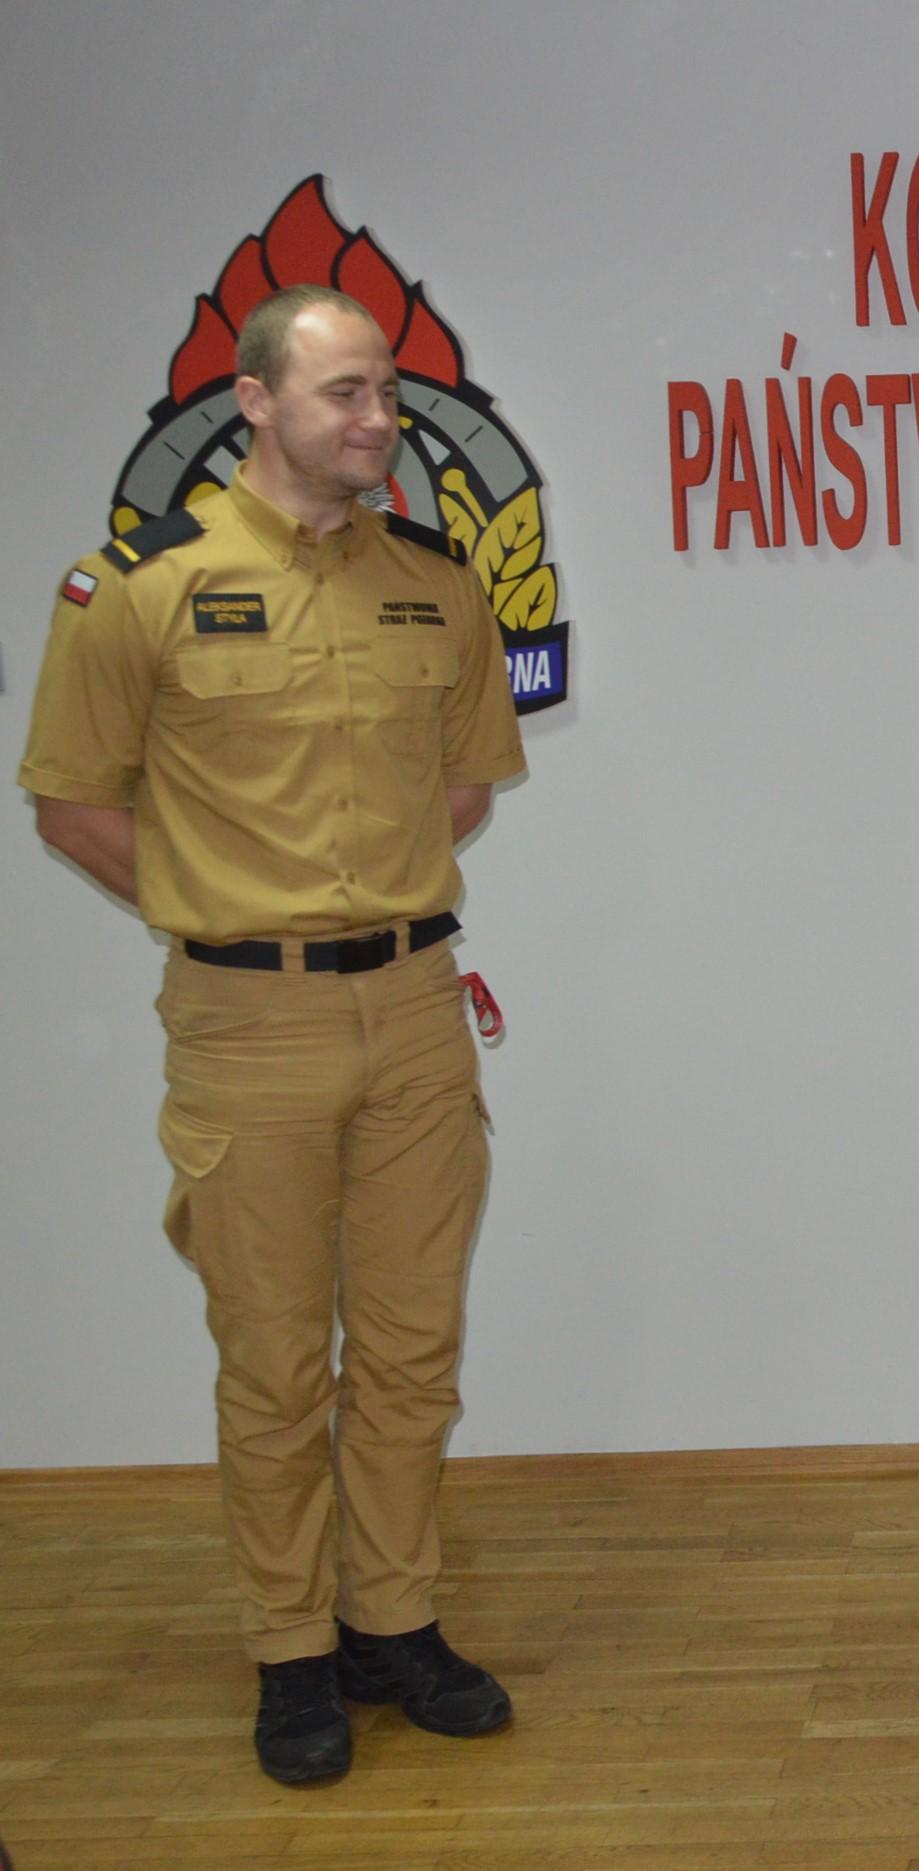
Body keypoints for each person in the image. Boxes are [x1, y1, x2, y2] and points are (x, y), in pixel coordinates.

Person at [19, 285, 526, 1784]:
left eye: (388, 393)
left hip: (417, 1012)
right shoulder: (141, 585)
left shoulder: (435, 584)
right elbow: (72, 804)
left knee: (415, 1353)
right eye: (345, 392)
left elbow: (465, 786)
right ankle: (292, 1649)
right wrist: (225, 906)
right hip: (248, 1026)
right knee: (275, 1364)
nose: (378, 418)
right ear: (255, 401)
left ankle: (391, 1622)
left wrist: (360, 905)